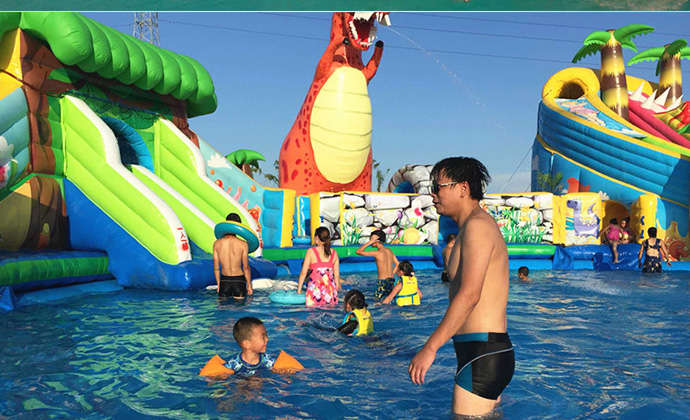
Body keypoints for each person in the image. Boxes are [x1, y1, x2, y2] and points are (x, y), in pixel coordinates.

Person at [408, 157, 514, 417]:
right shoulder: (471, 228)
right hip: (484, 352)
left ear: (463, 188)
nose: (433, 194)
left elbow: (470, 295)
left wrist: (430, 347)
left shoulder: (477, 226)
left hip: (482, 353)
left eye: (438, 187)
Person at [297, 226, 341, 307]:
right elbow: (337, 276)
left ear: (317, 237)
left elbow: (303, 272)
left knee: (312, 313)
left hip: (315, 290)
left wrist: (299, 290)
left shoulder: (311, 251)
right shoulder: (334, 253)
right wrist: (337, 291)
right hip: (330, 291)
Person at [213, 213, 253, 299]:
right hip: (239, 280)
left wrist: (219, 284)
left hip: (224, 280)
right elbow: (245, 267)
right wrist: (249, 285)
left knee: (222, 306)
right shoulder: (243, 244)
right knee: (240, 306)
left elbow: (216, 267)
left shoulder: (217, 243)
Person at [355, 230, 399, 300]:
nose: (370, 241)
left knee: (379, 301)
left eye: (371, 239)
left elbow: (358, 251)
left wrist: (370, 242)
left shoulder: (377, 253)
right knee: (389, 300)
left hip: (382, 282)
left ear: (376, 240)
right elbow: (398, 264)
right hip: (391, 281)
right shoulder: (389, 251)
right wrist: (392, 273)